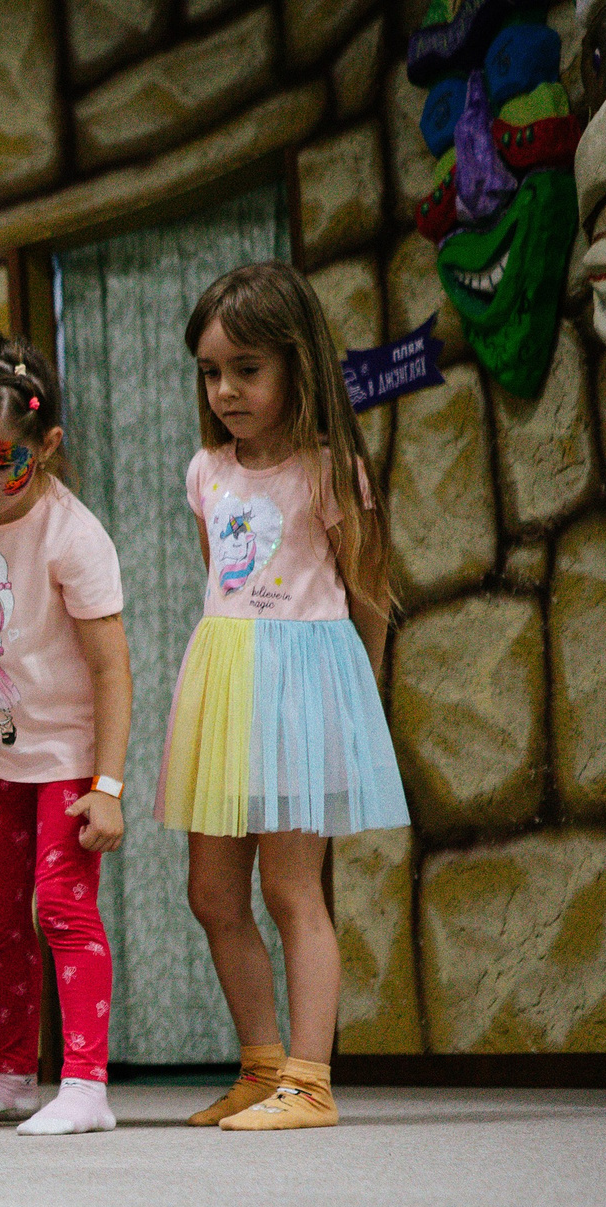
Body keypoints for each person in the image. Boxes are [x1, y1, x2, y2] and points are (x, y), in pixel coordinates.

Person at [161, 261, 410, 1130]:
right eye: (210, 372)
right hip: (227, 682)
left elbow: (366, 595)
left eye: (246, 370)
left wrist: (357, 702)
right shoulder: (206, 470)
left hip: (303, 686)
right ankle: (261, 1064)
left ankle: (310, 1081)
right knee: (212, 894)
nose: (225, 389)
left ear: (297, 365)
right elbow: (221, 582)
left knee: (292, 890)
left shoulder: (330, 468)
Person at [0, 333, 132, 1136]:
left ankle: (86, 1084)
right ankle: (12, 1075)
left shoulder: (73, 537)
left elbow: (113, 670)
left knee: (63, 908)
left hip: (69, 757)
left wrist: (107, 788)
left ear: (47, 447)